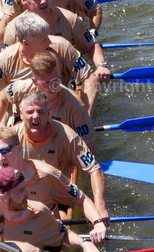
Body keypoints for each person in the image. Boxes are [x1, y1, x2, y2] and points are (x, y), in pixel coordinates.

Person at [0, 125, 103, 226]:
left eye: (5, 151)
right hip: (12, 235)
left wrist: (98, 223)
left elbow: (81, 199)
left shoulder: (47, 174)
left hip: (46, 235)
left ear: (19, 148)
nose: (1, 158)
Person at [0, 165, 106, 249]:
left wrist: (85, 244)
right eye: (21, 191)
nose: (28, 194)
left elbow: (65, 235)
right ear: (3, 197)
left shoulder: (39, 212)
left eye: (26, 188)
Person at [16, 90, 108, 219]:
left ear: (49, 114)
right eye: (30, 112)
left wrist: (100, 207)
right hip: (25, 192)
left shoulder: (67, 136)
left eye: (41, 112)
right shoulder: (12, 137)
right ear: (21, 114)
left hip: (57, 192)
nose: (35, 116)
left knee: (61, 219)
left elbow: (94, 169)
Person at [0, 51, 95, 149]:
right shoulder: (22, 88)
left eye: (56, 80)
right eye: (47, 83)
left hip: (58, 147)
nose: (54, 86)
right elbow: (1, 98)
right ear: (34, 81)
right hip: (24, 141)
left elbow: (90, 145)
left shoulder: (75, 105)